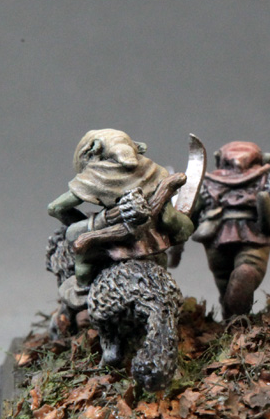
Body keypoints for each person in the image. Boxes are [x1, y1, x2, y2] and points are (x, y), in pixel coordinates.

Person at [48, 128, 193, 310]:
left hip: (110, 242)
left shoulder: (95, 176)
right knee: (159, 261)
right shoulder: (153, 170)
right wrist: (181, 229)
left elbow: (55, 208)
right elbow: (168, 218)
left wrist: (85, 224)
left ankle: (82, 292)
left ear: (94, 150)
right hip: (149, 243)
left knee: (84, 260)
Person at [192, 141, 270, 318]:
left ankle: (236, 314)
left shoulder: (268, 181)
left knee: (245, 272)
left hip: (250, 235)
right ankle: (231, 316)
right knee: (226, 279)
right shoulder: (208, 184)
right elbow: (192, 211)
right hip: (219, 236)